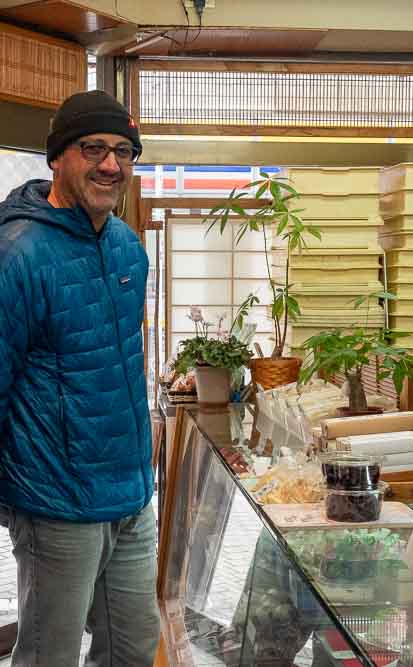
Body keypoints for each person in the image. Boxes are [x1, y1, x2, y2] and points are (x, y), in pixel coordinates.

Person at [0, 90, 158, 665]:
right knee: (50, 656)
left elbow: (120, 358)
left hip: (131, 491)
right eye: (93, 148)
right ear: (57, 158)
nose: (111, 165)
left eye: (123, 151)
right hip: (55, 498)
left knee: (134, 647)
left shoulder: (126, 249)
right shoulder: (17, 253)